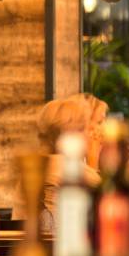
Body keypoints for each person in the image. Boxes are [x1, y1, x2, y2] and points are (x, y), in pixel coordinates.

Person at [19, 94, 106, 231]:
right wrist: (93, 159)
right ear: (69, 133)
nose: (89, 135)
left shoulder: (37, 165)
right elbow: (106, 203)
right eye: (83, 128)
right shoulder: (66, 166)